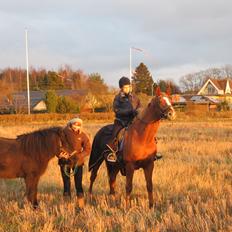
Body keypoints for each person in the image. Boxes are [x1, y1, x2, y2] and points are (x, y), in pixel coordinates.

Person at [58, 117, 91, 208]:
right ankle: (67, 205)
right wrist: (60, 154)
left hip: (78, 162)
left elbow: (88, 149)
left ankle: (81, 205)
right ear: (70, 125)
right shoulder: (62, 133)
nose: (76, 127)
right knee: (66, 183)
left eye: (78, 125)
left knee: (78, 183)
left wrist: (79, 156)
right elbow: (57, 146)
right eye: (74, 125)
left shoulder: (83, 135)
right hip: (65, 161)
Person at [106, 76, 141, 162]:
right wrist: (129, 111)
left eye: (129, 86)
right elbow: (117, 110)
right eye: (125, 87)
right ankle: (112, 153)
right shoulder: (118, 98)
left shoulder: (135, 97)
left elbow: (140, 107)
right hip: (121, 122)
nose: (128, 88)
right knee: (115, 134)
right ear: (121, 88)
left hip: (133, 121)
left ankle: (152, 153)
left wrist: (138, 111)